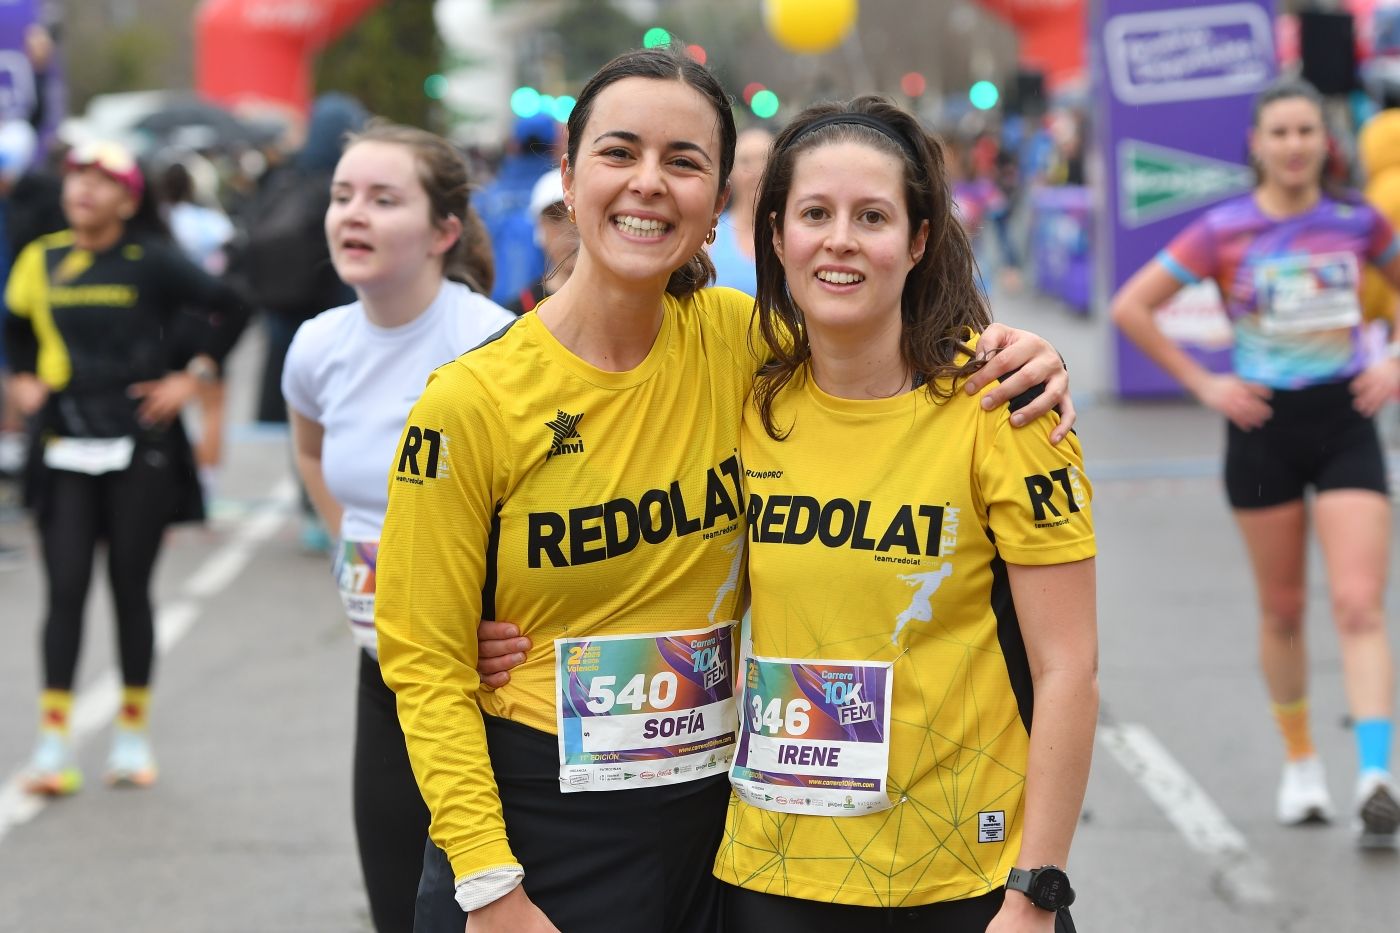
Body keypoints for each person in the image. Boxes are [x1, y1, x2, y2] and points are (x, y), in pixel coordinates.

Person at [375, 45, 1075, 933]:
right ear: (569, 173)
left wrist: (1025, 357)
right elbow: (423, 665)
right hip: (535, 833)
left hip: (714, 827)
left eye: (684, 162)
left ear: (720, 206)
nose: (648, 184)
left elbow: (886, 358)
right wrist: (488, 884)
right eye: (619, 153)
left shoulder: (748, 345)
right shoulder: (468, 402)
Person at [713, 95, 1096, 932]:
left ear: (918, 240)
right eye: (815, 213)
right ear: (774, 235)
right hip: (776, 872)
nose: (840, 238)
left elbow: (1068, 667)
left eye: (872, 215)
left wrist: (1036, 889)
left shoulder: (1003, 404)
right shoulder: (736, 392)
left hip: (966, 876)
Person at [1111, 78, 1400, 848]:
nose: (1296, 145)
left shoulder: (1358, 222)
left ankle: (1376, 774)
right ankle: (1301, 762)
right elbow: (1131, 306)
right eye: (1281, 133)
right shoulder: (1223, 231)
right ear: (1257, 145)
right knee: (1283, 608)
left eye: (1308, 130)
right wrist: (1207, 381)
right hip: (1262, 426)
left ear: (1325, 142)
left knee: (1359, 602)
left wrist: (1395, 359)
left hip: (1347, 419)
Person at [282, 122, 513, 933]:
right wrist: (360, 552)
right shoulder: (316, 346)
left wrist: (483, 610)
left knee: (478, 908)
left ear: (444, 231)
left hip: (486, 690)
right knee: (396, 911)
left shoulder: (490, 343)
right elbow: (311, 454)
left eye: (384, 199)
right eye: (344, 196)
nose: (354, 214)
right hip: (382, 670)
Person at [2, 140, 248, 794]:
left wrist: (190, 378)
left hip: (139, 444)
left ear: (128, 197)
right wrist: (22, 378)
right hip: (64, 439)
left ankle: (131, 736)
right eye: (76, 175)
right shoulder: (42, 257)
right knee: (66, 587)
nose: (83, 187)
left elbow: (233, 304)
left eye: (101, 179)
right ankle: (54, 746)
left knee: (129, 588)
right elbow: (15, 322)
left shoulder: (153, 261)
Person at [157, 159, 237, 504]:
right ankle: (206, 485)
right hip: (210, 321)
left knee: (166, 404)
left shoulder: (160, 222)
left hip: (170, 323)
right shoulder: (213, 222)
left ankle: (170, 485)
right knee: (213, 406)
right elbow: (231, 264)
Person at [476, 112, 557, 306]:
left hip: (492, 307)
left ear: (514, 145)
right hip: (539, 305)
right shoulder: (558, 191)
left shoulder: (487, 196)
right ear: (553, 145)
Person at [706, 126, 771, 294]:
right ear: (729, 172)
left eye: (765, 160)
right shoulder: (708, 237)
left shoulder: (796, 236)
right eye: (746, 161)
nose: (757, 171)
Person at [504, 170, 576, 314]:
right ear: (539, 229)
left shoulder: (626, 303)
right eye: (556, 216)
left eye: (576, 211)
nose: (571, 227)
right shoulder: (512, 314)